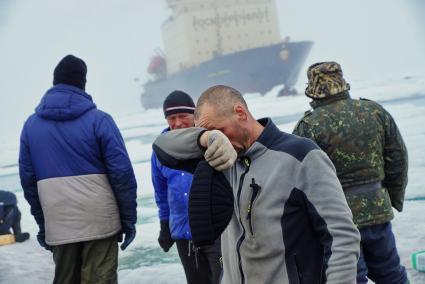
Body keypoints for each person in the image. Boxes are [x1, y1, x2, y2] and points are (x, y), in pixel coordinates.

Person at [152, 85, 361, 284]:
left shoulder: (301, 157)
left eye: (221, 130)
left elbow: (341, 236)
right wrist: (206, 138)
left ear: (240, 113)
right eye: (212, 135)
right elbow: (163, 147)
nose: (220, 141)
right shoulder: (222, 158)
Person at [18, 54, 137, 284]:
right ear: (83, 82)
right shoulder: (100, 120)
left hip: (59, 220)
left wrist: (43, 224)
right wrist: (128, 219)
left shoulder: (31, 126)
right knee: (100, 279)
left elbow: (28, 182)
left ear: (55, 82)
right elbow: (122, 174)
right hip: (100, 220)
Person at [293, 62, 409, 284]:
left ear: (312, 90)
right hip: (377, 210)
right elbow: (397, 160)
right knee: (391, 274)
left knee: (350, 278)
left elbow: (300, 178)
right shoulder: (374, 111)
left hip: (336, 219)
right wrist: (391, 199)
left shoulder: (308, 126)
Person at [152, 90, 222, 284]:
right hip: (184, 233)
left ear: (195, 116)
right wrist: (164, 225)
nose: (177, 123)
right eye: (171, 118)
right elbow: (161, 192)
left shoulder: (209, 141)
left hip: (216, 232)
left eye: (182, 116)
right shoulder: (160, 150)